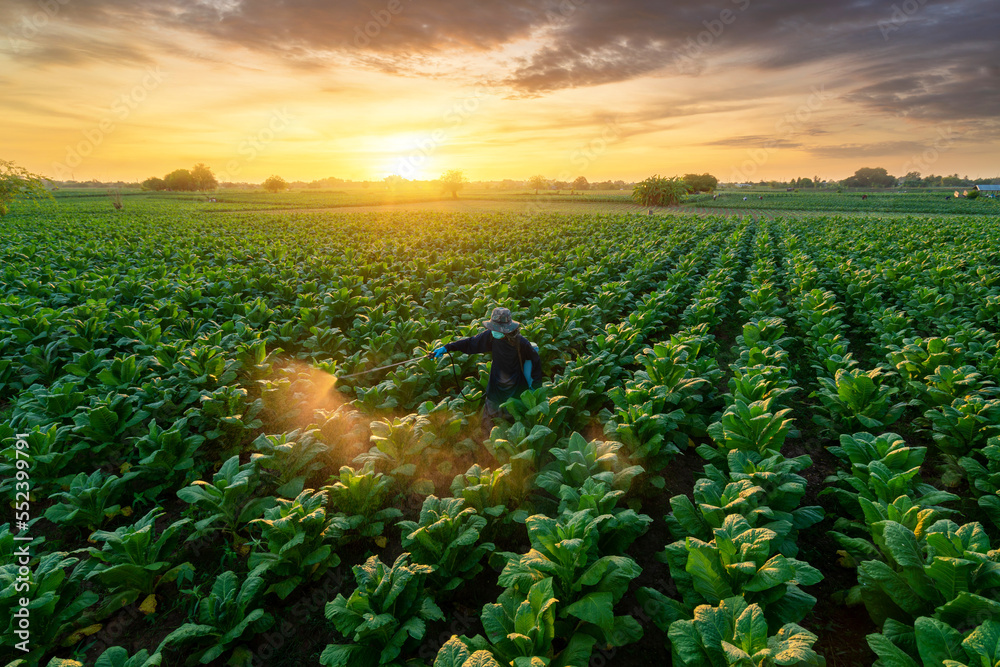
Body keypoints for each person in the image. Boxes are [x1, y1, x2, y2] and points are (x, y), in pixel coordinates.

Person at [433, 307, 542, 441]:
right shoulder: (491, 336)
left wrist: (536, 387)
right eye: (493, 328)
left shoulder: (522, 344)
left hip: (515, 392)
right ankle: (486, 451)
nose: (495, 331)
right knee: (488, 426)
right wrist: (448, 347)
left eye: (498, 329)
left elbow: (535, 364)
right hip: (495, 390)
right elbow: (470, 343)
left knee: (512, 429)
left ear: (507, 329)